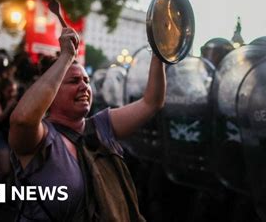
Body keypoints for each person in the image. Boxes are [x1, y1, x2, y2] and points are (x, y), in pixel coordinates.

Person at [9, 28, 166, 221]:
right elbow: (22, 119)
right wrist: (67, 56)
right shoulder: (41, 139)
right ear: (52, 92)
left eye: (86, 80)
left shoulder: (101, 126)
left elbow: (152, 102)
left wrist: (160, 52)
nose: (84, 86)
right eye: (74, 81)